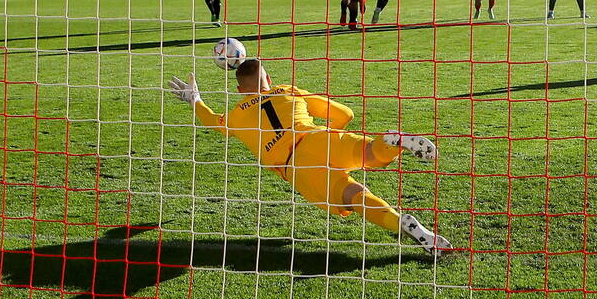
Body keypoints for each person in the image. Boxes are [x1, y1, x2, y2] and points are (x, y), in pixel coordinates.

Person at [168, 59, 452, 256]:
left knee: (352, 196)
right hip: (317, 137)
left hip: (296, 166)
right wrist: (331, 136)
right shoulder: (288, 90)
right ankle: (393, 142)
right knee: (370, 155)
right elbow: (345, 114)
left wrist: (194, 98)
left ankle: (402, 223)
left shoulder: (238, 114)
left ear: (241, 91)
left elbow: (212, 121)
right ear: (269, 79)